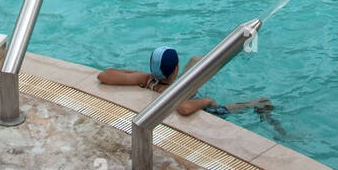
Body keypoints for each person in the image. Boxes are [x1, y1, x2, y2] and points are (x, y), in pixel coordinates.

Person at [98, 47, 272, 119]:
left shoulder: (147, 79)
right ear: (175, 69)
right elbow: (184, 108)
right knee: (262, 101)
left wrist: (139, 75)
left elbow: (104, 75)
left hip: (168, 83)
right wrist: (207, 101)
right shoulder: (168, 93)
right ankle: (261, 107)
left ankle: (231, 50)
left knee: (197, 59)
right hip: (189, 96)